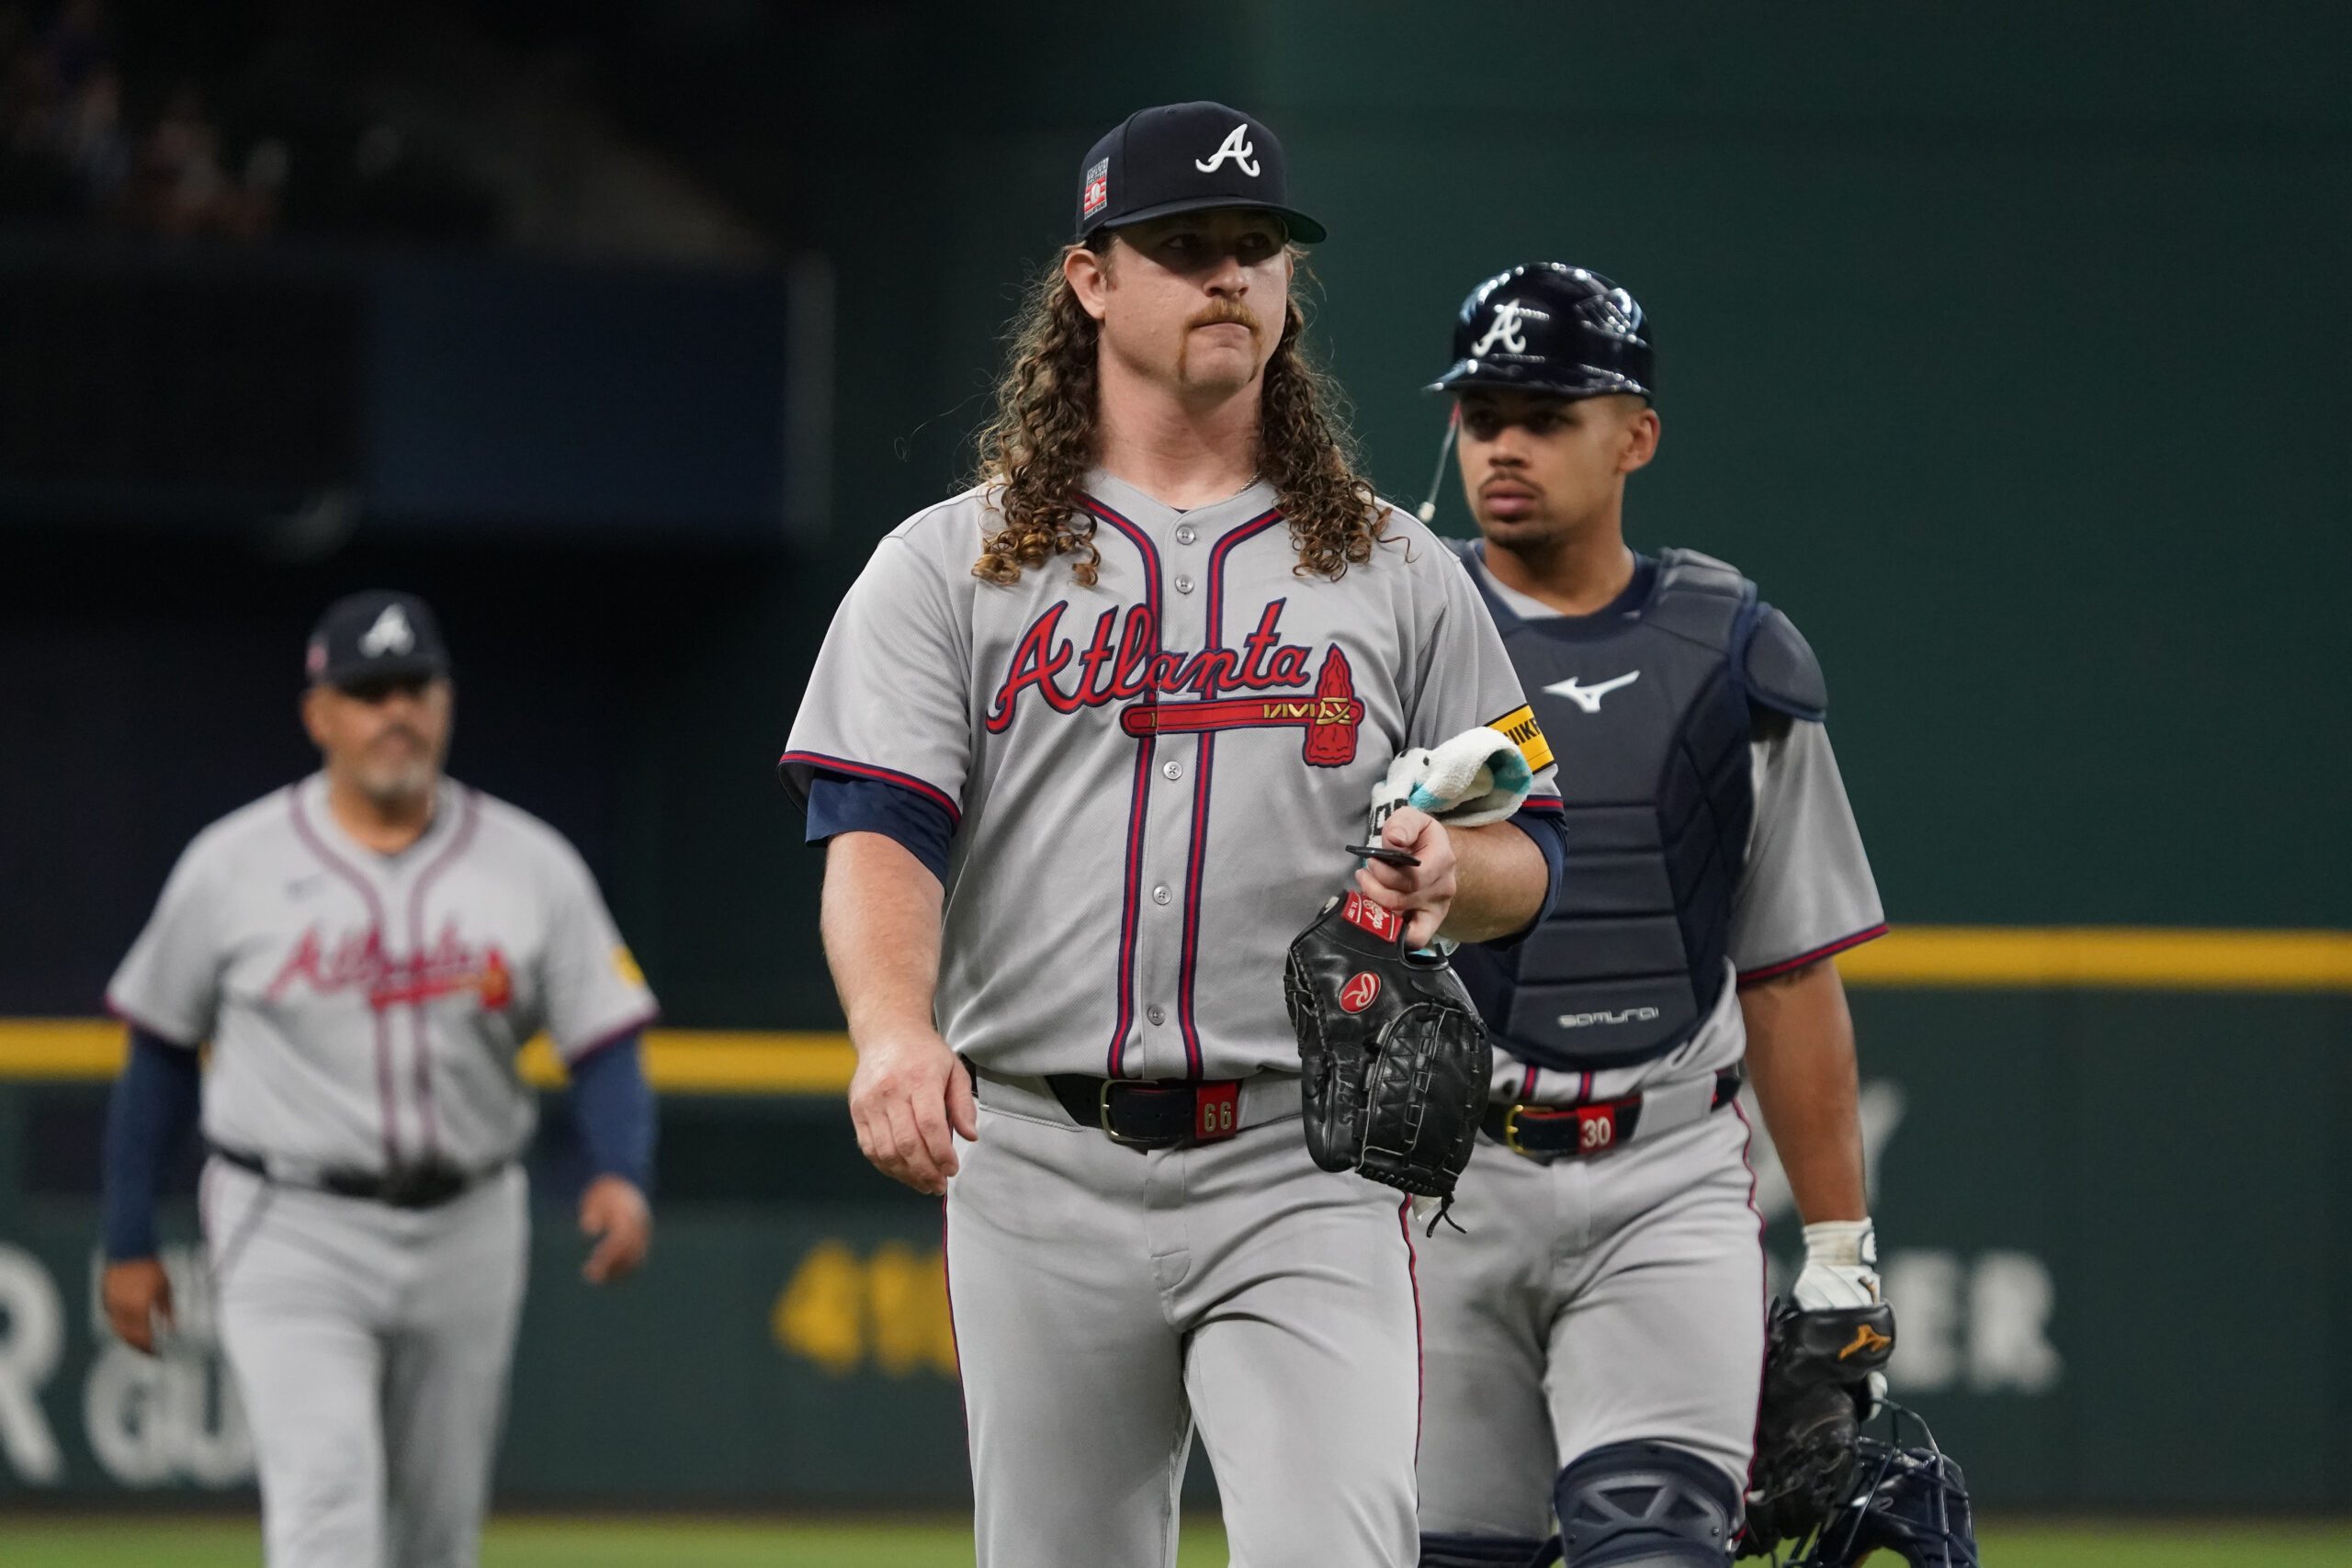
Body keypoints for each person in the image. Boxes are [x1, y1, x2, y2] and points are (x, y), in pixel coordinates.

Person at [778, 102, 1566, 1568]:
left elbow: (1536, 843)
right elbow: (879, 824)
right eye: (1186, 244)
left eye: (1256, 247)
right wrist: (892, 1028)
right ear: (1091, 279)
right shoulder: (948, 563)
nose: (1227, 273)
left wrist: (1463, 878)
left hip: (1304, 1154)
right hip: (1034, 1157)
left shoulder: (1401, 570)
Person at [1409, 265, 1892, 1568]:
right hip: (1436, 1179)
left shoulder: (1732, 653)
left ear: (1636, 434)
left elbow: (1789, 970)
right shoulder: (1391, 632)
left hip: (1661, 1178)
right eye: (1480, 411)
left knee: (1657, 1545)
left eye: (1546, 413)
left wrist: (1841, 1254)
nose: (1503, 442)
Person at [99, 590, 659, 1568]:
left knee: (436, 1537)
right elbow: (158, 1049)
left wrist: (621, 1170)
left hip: (469, 1219)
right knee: (328, 1514)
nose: (394, 712)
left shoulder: (532, 865)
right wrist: (128, 1234)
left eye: (414, 688)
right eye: (368, 692)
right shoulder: (232, 865)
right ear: (320, 715)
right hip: (291, 1221)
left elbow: (604, 1041)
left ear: (446, 702)